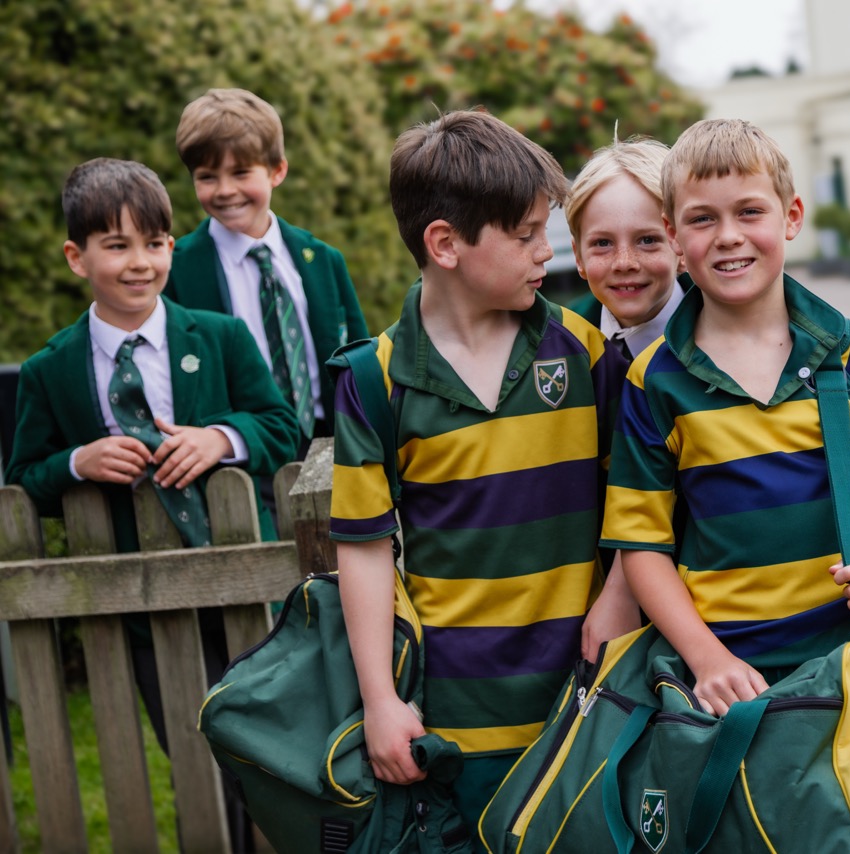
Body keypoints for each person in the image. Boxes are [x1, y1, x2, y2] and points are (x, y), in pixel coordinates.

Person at [328, 110, 638, 836]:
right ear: (445, 244)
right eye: (526, 233)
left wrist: (618, 598)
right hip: (456, 720)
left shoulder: (586, 353)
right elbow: (366, 547)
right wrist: (380, 699)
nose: (546, 250)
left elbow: (639, 504)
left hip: (587, 699)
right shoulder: (374, 380)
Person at [599, 118, 850, 716]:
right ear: (674, 235)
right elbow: (643, 546)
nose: (729, 236)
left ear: (791, 216)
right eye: (703, 218)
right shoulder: (654, 380)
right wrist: (706, 660)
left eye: (750, 212)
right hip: (721, 678)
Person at [4, 157, 297, 850]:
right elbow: (25, 475)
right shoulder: (51, 369)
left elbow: (280, 424)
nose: (140, 263)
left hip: (244, 595)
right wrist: (78, 461)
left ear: (171, 245)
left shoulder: (218, 337)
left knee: (276, 752)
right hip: (137, 609)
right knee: (197, 756)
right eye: (117, 246)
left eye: (155, 243)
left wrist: (220, 437)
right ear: (77, 257)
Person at [168, 88, 368, 454]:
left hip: (332, 447)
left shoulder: (322, 259)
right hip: (240, 455)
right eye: (207, 177)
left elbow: (359, 362)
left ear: (277, 171)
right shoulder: (176, 270)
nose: (225, 190)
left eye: (241, 172)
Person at [565, 136, 686, 360]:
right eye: (602, 243)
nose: (624, 263)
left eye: (647, 240)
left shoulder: (726, 335)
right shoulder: (559, 344)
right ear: (578, 257)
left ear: (681, 246)